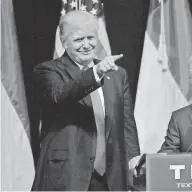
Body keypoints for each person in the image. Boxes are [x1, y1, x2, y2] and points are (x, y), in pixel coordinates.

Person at [33, 11, 141, 191]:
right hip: (67, 175)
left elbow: (126, 122)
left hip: (110, 176)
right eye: (78, 40)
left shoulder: (117, 74)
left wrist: (134, 159)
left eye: (90, 38)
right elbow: (60, 95)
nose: (86, 45)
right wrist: (94, 74)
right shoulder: (48, 71)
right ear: (64, 41)